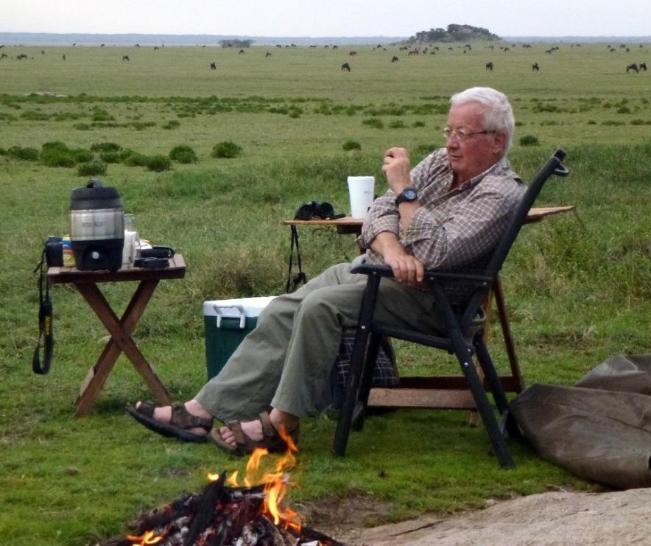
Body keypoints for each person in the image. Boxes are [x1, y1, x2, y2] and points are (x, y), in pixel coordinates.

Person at [128, 86, 526, 455]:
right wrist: (391, 248)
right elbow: (376, 215)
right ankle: (202, 409)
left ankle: (282, 422)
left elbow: (438, 251)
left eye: (464, 134)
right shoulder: (441, 164)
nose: (451, 143)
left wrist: (407, 192)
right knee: (286, 307)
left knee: (321, 307)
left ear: (497, 142)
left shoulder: (501, 193)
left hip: (433, 298)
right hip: (382, 272)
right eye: (449, 130)